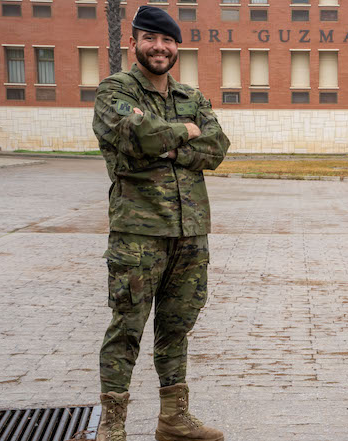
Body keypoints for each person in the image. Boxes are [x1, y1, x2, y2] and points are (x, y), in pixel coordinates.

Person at [91, 6, 231, 441]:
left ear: (177, 48)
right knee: (126, 328)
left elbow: (218, 147)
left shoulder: (192, 96)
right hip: (138, 235)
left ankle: (174, 419)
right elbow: (138, 136)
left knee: (177, 327)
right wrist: (184, 134)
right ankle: (112, 427)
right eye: (151, 38)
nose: (160, 47)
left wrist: (169, 143)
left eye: (168, 40)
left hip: (190, 234)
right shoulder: (114, 90)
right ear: (134, 43)